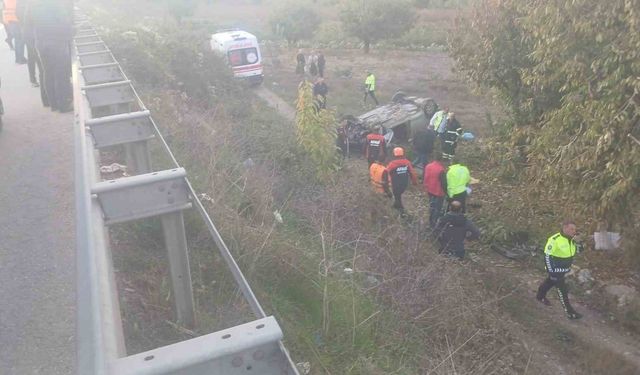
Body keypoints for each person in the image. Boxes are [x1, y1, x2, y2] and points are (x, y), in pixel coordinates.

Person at [23, 0, 72, 112]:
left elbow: (27, 27)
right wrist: (70, 33)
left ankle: (53, 104)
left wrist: (33, 44)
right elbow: (64, 21)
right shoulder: (55, 3)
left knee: (47, 73)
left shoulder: (31, 4)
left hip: (41, 43)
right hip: (57, 41)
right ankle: (64, 104)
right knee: (61, 73)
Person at [536, 220, 583, 320]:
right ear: (564, 228)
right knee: (562, 290)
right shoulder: (555, 239)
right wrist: (551, 271)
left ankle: (540, 296)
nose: (574, 231)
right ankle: (570, 313)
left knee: (549, 282)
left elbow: (580, 251)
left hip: (564, 269)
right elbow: (547, 256)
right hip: (555, 270)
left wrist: (579, 242)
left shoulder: (572, 240)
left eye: (575, 229)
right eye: (571, 229)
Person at [385, 147, 417, 211]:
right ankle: (396, 205)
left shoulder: (392, 164)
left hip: (395, 184)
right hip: (404, 184)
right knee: (398, 195)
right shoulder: (407, 162)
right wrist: (414, 182)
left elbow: (386, 172)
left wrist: (387, 181)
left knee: (397, 195)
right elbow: (412, 173)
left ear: (394, 154)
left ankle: (401, 210)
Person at [423, 155, 447, 229]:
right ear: (441, 160)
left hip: (430, 189)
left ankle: (430, 221)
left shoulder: (428, 166)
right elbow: (444, 183)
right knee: (437, 208)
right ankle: (434, 224)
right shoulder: (441, 169)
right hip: (438, 192)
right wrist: (446, 192)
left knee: (432, 206)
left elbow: (426, 176)